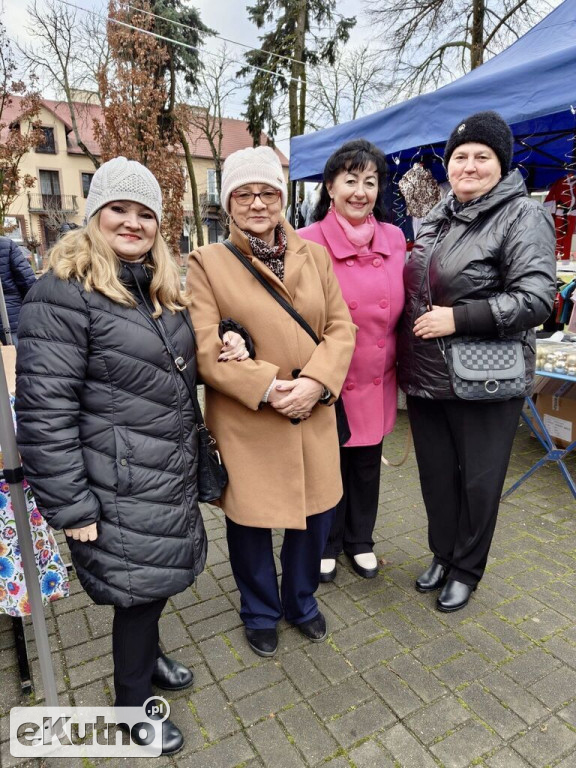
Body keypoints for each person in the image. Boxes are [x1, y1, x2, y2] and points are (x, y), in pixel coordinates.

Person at [14, 157, 248, 756]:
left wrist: (230, 337)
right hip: (113, 484)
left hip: (161, 473)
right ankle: (130, 706)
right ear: (94, 215)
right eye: (119, 208)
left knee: (152, 584)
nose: (132, 222)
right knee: (138, 595)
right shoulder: (63, 294)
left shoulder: (155, 287)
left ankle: (149, 657)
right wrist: (71, 506)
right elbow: (44, 413)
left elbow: (175, 361)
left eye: (145, 213)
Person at [187, 146, 356, 657]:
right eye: (244, 194)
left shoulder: (315, 256)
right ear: (229, 203)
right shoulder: (207, 263)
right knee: (250, 522)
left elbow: (341, 328)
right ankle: (259, 611)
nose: (257, 203)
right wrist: (268, 388)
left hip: (312, 410)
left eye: (267, 192)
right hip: (249, 418)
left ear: (282, 198)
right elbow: (205, 348)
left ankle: (301, 602)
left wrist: (316, 383)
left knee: (316, 515)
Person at [397, 111, 556, 612]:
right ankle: (442, 554)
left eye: (481, 156)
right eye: (460, 156)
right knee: (437, 477)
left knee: (478, 481)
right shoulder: (437, 216)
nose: (468, 165)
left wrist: (459, 318)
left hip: (486, 375)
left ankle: (467, 568)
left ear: (501, 163)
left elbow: (537, 299)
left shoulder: (522, 215)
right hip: (427, 374)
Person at [299, 139, 406, 582]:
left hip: (378, 373)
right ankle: (326, 541)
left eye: (370, 181)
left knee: (366, 464)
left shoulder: (395, 238)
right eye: (350, 180)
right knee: (328, 464)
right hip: (330, 375)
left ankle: (361, 540)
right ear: (330, 186)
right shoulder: (306, 241)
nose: (361, 192)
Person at [0, 235, 36, 346]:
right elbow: (27, 280)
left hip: (9, 313)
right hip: (11, 315)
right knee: (20, 352)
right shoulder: (6, 244)